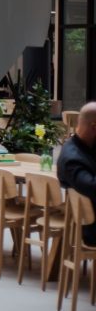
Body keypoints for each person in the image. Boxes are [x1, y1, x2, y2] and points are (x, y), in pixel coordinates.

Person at [57, 101, 96, 246]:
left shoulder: (87, 145)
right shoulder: (72, 159)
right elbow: (92, 188)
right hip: (90, 228)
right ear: (94, 127)